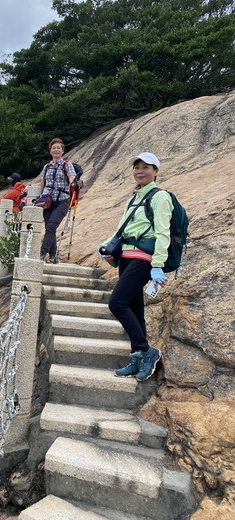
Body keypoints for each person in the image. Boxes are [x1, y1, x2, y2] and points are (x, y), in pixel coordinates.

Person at [98, 152, 173, 382]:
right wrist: (107, 248)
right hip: (128, 257)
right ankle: (137, 356)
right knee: (134, 308)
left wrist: (158, 264)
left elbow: (162, 233)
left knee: (117, 303)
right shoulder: (135, 197)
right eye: (137, 167)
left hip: (144, 259)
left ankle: (147, 351)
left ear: (156, 171)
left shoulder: (161, 197)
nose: (140, 171)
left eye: (146, 167)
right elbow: (122, 228)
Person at [39, 138, 76, 263]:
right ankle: (54, 255)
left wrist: (74, 182)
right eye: (53, 148)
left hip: (62, 200)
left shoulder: (67, 165)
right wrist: (28, 189)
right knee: (50, 229)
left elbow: (71, 177)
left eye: (58, 147)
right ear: (50, 151)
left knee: (50, 227)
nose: (56, 150)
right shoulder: (47, 166)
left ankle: (41, 253)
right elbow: (42, 183)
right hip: (47, 201)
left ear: (62, 150)